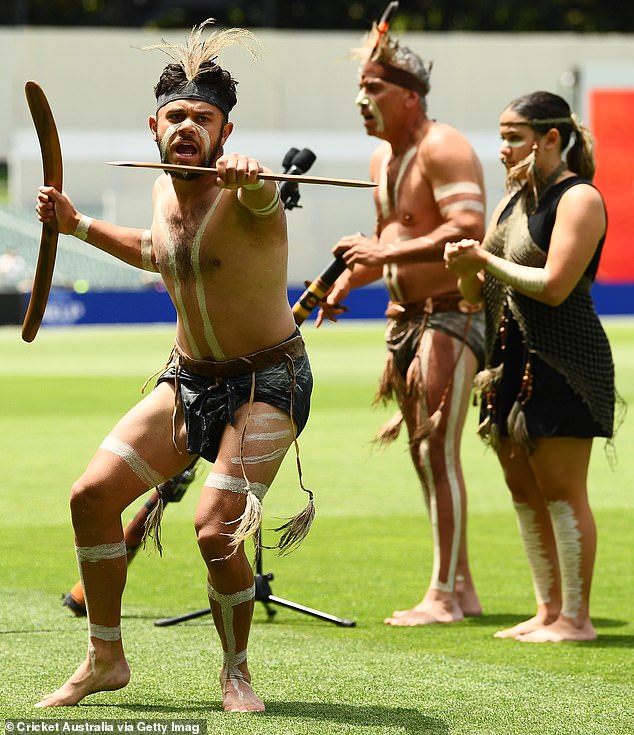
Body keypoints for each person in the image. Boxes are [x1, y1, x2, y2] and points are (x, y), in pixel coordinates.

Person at [33, 20, 314, 711]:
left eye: (204, 118)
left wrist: (251, 178)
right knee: (90, 496)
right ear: (153, 125)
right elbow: (158, 250)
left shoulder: (249, 195)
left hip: (268, 382)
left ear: (225, 133)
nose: (188, 126)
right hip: (189, 379)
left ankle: (237, 671)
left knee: (215, 526)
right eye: (177, 115)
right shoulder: (162, 193)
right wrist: (78, 225)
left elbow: (261, 200)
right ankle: (104, 657)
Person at [317, 20, 486, 625]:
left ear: (410, 95)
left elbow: (468, 231)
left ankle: (443, 594)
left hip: (454, 313)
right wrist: (343, 283)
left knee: (437, 449)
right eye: (360, 89)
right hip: (406, 319)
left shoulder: (444, 146)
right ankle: (459, 587)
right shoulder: (381, 157)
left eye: (375, 89)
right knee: (426, 453)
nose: (363, 101)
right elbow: (393, 238)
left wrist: (380, 255)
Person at [444, 90, 622, 642]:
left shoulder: (579, 199)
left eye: (513, 136)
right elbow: (475, 294)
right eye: (500, 136)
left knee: (563, 490)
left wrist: (484, 258)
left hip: (566, 361)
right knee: (523, 489)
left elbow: (554, 286)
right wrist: (464, 267)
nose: (502, 148)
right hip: (508, 361)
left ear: (550, 138)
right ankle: (547, 611)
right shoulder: (512, 201)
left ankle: (577, 618)